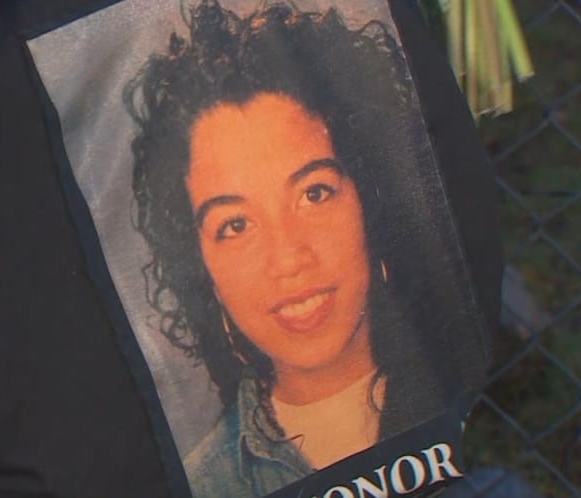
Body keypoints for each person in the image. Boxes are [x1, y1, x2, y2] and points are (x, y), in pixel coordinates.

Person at [124, 1, 472, 496]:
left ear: (371, 198)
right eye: (236, 224)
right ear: (201, 266)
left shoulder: (475, 388)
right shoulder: (204, 483)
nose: (288, 258)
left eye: (314, 193)